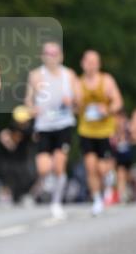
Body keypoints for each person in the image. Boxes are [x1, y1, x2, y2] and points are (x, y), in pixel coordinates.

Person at [25, 41, 77, 219]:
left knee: (59, 164)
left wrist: (73, 103)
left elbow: (79, 101)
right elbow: (28, 100)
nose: (51, 57)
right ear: (43, 56)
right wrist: (32, 109)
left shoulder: (69, 75)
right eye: (48, 53)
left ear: (60, 56)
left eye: (54, 54)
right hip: (44, 125)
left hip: (64, 125)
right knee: (44, 168)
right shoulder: (35, 75)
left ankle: (56, 203)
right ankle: (48, 186)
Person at [75, 50, 123, 215]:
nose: (90, 65)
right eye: (88, 61)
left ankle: (109, 183)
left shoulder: (106, 81)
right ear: (82, 63)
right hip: (86, 130)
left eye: (94, 61)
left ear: (99, 64)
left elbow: (118, 102)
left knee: (103, 169)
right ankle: (97, 199)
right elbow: (74, 107)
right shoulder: (78, 83)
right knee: (90, 167)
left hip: (105, 131)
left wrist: (107, 109)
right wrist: (76, 104)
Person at [0, 105, 35, 204]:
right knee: (7, 175)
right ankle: (6, 195)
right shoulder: (10, 129)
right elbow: (5, 139)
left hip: (23, 160)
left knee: (27, 176)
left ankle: (24, 195)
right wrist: (9, 140)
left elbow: (35, 138)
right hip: (9, 161)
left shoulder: (29, 131)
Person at [110, 109, 133, 204]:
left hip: (127, 152)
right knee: (120, 173)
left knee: (128, 175)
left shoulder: (128, 127)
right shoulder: (113, 128)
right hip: (118, 153)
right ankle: (122, 194)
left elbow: (132, 137)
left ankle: (129, 190)